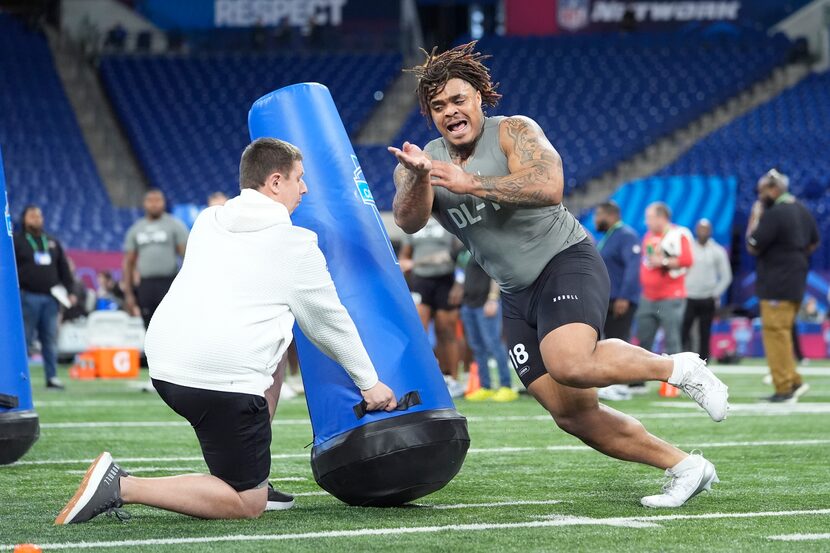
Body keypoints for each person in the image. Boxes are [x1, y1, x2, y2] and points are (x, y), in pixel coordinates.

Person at [388, 42, 728, 508]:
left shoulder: (513, 130)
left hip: (565, 260)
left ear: (479, 99)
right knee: (571, 412)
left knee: (571, 362)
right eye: (439, 105)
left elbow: (549, 187)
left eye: (458, 99)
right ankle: (686, 467)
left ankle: (681, 368)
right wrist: (419, 176)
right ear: (430, 114)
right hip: (514, 292)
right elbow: (407, 221)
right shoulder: (423, 160)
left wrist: (473, 183)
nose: (450, 111)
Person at [56, 138, 397, 524]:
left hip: (165, 364)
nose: (304, 188)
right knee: (246, 503)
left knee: (278, 334)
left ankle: (252, 470)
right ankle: (122, 486)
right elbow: (328, 324)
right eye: (299, 179)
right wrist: (370, 383)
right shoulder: (296, 244)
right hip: (218, 383)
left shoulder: (207, 219)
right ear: (274, 182)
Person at [746, 169, 819, 402]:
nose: (760, 196)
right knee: (784, 333)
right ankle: (793, 380)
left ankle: (784, 388)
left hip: (776, 283)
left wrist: (755, 216)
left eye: (762, 191)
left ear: (774, 189)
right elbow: (814, 242)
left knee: (775, 333)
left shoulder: (775, 213)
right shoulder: (801, 209)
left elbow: (752, 244)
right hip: (796, 280)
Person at [398, 217, 464, 397]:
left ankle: (452, 379)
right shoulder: (413, 220)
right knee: (419, 331)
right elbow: (405, 255)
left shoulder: (448, 218)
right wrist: (402, 267)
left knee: (446, 330)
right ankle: (421, 379)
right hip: (420, 281)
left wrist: (460, 283)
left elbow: (463, 253)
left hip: (446, 280)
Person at [13, 205, 76, 390]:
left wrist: (70, 290)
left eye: (39, 215)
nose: (36, 218)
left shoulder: (52, 242)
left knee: (49, 339)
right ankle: (20, 379)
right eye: (32, 215)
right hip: (27, 296)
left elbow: (63, 268)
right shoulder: (17, 242)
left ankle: (52, 377)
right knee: (24, 339)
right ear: (24, 219)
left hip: (51, 298)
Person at [593, 200, 642, 400]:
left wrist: (625, 296)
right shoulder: (611, 236)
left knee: (619, 343)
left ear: (610, 216)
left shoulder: (626, 236)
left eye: (599, 215)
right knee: (608, 342)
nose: (596, 220)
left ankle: (621, 386)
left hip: (620, 300)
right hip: (608, 299)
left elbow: (632, 268)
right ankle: (612, 383)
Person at [122, 189, 189, 328]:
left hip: (169, 283)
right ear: (144, 203)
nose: (154, 204)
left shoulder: (174, 225)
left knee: (172, 325)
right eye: (150, 201)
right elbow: (129, 263)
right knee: (148, 326)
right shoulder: (136, 229)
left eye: (158, 200)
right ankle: (150, 351)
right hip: (146, 285)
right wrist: (128, 293)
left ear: (164, 203)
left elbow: (187, 256)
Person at [636, 202, 693, 355]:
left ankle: (671, 380)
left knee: (672, 341)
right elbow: (648, 261)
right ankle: (638, 379)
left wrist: (663, 261)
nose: (646, 221)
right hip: (647, 296)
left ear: (662, 218)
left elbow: (687, 261)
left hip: (670, 297)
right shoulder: (648, 236)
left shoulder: (678, 234)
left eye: (649, 217)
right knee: (643, 341)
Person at [459, 255, 517, 402]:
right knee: (477, 347)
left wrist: (492, 298)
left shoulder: (482, 245)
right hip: (469, 304)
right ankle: (485, 387)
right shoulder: (465, 250)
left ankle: (506, 386)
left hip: (485, 302)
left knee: (494, 344)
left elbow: (497, 272)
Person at [682, 219, 732, 361]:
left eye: (706, 229)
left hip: (707, 298)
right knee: (683, 330)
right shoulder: (689, 249)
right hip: (689, 296)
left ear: (710, 231)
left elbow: (726, 276)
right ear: (696, 230)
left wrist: (715, 293)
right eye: (700, 229)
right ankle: (683, 360)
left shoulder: (717, 250)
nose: (703, 232)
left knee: (705, 332)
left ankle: (704, 361)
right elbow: (680, 271)